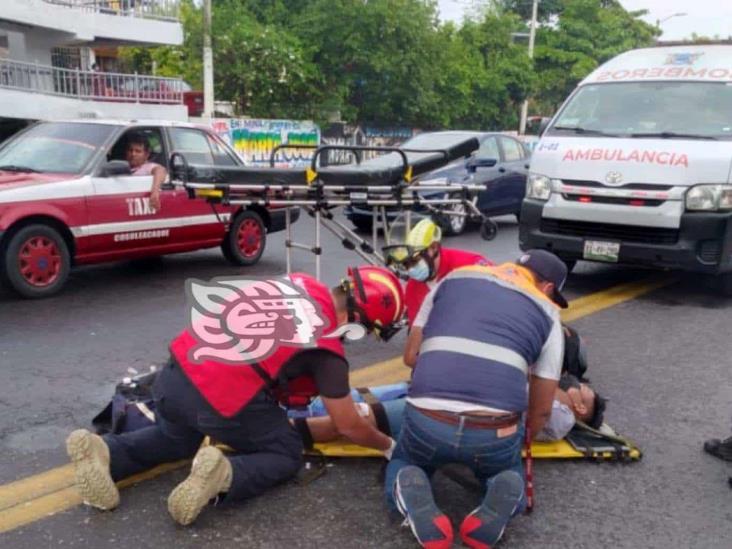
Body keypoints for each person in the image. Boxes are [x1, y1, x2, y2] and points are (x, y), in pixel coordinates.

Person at [65, 266, 405, 526]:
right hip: (220, 399)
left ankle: (107, 451)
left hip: (173, 377)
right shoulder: (327, 348)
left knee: (177, 439)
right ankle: (223, 476)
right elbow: (347, 424)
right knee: (285, 451)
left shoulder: (297, 281)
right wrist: (387, 446)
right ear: (357, 319)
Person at [385, 250, 568, 549]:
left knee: (405, 457)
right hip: (493, 432)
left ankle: (410, 482)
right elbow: (542, 409)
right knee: (506, 469)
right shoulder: (549, 312)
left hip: (427, 420)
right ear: (548, 288)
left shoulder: (452, 280)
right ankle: (501, 487)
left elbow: (410, 357)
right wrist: (520, 440)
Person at [382, 219, 491, 326]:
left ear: (434, 247)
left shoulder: (471, 265)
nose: (410, 270)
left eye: (414, 261)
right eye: (406, 264)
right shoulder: (413, 288)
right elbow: (417, 330)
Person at [125, 133, 167, 212]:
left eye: (138, 151)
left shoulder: (148, 167)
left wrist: (155, 192)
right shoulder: (123, 166)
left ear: (146, 154)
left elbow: (160, 170)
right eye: (130, 150)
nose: (133, 154)